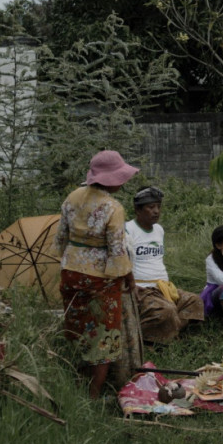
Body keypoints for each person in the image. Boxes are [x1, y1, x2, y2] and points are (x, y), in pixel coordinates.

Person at [55, 150, 138, 399]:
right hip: (99, 279)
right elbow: (117, 250)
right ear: (112, 179)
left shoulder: (73, 197)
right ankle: (93, 394)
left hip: (70, 272)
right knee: (103, 336)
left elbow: (61, 238)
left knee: (78, 328)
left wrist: (72, 260)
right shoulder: (113, 207)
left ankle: (74, 381)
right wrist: (129, 278)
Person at [125, 186, 204, 344]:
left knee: (195, 301)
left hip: (164, 287)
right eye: (151, 207)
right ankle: (147, 339)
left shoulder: (159, 230)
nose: (156, 211)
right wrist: (130, 286)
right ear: (137, 210)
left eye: (159, 207)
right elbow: (122, 263)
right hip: (142, 289)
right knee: (166, 310)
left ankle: (169, 334)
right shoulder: (128, 230)